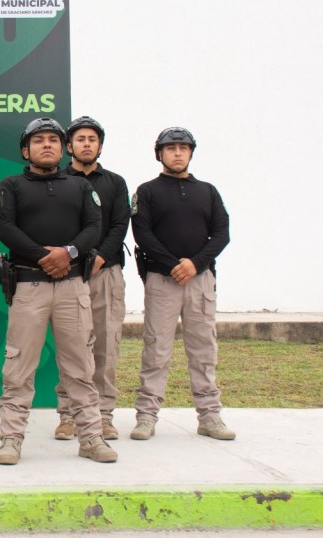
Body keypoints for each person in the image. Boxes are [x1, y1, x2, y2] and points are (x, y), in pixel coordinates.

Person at [0, 117, 117, 465]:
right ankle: (11, 440)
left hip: (72, 286)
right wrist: (43, 256)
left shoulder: (80, 187)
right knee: (18, 369)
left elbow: (94, 226)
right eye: (39, 140)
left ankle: (91, 438)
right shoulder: (9, 186)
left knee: (80, 366)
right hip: (29, 287)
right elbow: (4, 228)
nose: (47, 145)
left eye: (53, 140)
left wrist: (69, 253)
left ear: (63, 149)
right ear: (25, 149)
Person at [130, 127, 234, 442]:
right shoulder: (146, 191)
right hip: (163, 280)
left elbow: (221, 233)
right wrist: (174, 264)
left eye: (183, 147)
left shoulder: (208, 191)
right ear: (159, 153)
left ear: (191, 152)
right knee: (156, 350)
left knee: (204, 350)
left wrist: (195, 263)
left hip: (200, 281)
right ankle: (146, 417)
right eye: (170, 147)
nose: (177, 152)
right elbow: (143, 234)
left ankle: (210, 417)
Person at [53, 116, 130, 441]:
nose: (86, 144)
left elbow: (119, 224)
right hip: (69, 273)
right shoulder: (56, 180)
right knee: (71, 347)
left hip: (105, 273)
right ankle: (69, 415)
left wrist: (99, 256)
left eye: (92, 139)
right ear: (69, 146)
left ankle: (103, 415)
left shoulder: (114, 182)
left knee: (105, 346)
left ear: (99, 146)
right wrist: (76, 257)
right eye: (80, 139)